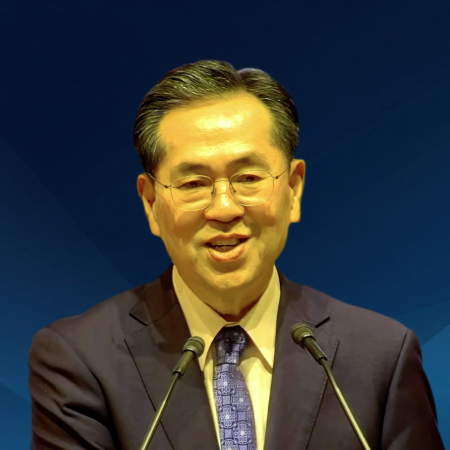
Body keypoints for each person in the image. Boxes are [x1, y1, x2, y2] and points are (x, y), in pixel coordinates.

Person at [28, 60, 444, 450]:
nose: (224, 208)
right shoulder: (80, 359)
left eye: (248, 178)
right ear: (151, 203)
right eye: (193, 184)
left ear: (293, 189)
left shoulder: (380, 355)